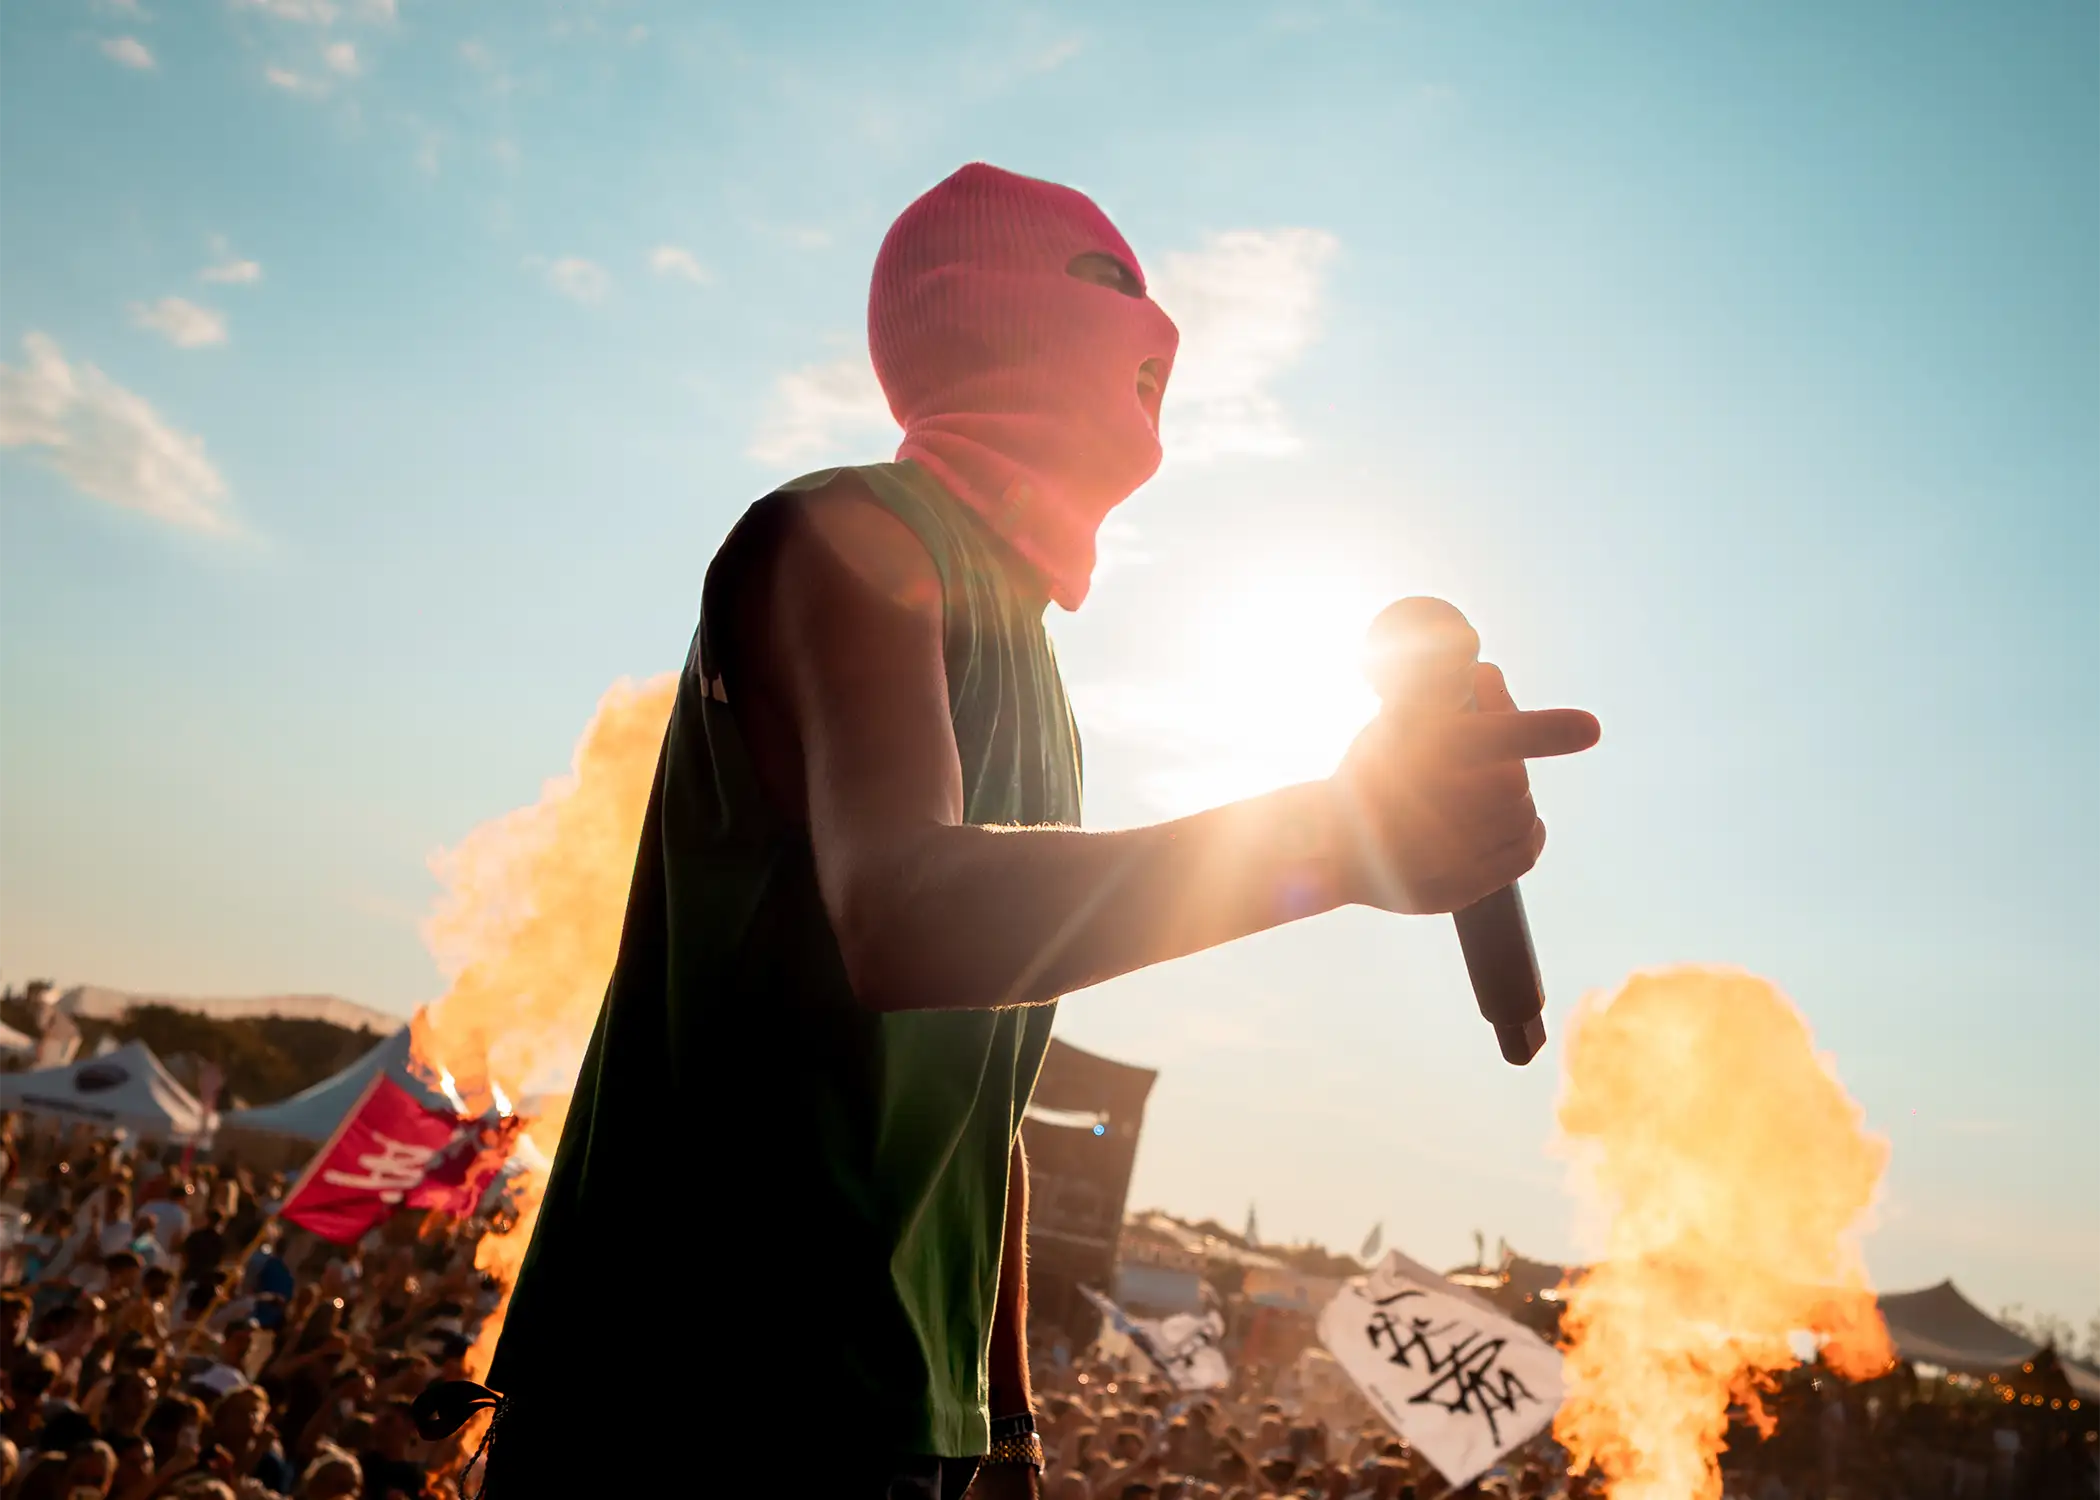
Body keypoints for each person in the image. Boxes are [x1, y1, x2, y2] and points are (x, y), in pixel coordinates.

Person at [478, 161, 1598, 1494]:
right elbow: (909, 924)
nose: (1162, 331)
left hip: (897, 1418)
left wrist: (1002, 1419)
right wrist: (1335, 841)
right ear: (982, 312)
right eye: (1114, 283)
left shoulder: (1038, 671)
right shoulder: (852, 538)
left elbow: (981, 1087)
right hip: (695, 1387)